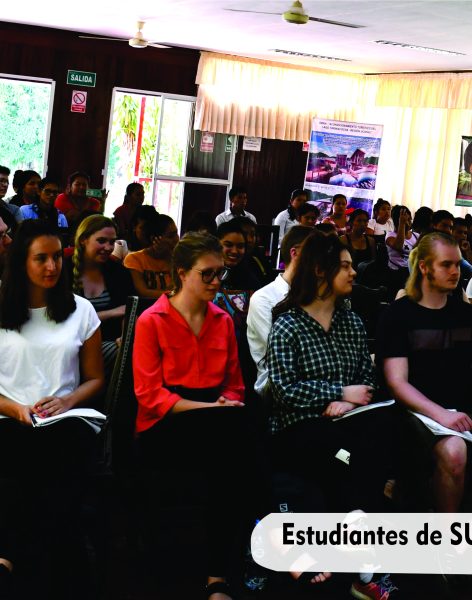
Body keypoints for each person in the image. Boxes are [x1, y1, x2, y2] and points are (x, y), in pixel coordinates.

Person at [267, 232, 396, 598]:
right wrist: (337, 393)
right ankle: (364, 562)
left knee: (370, 439)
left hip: (348, 423)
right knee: (345, 455)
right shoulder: (288, 324)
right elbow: (283, 390)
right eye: (345, 266)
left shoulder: (351, 322)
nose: (354, 272)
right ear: (320, 271)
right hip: (298, 428)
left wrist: (350, 402)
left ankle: (353, 552)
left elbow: (366, 380)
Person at [133, 232, 246, 600]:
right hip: (164, 423)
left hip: (213, 416)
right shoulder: (152, 320)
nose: (216, 281)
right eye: (207, 274)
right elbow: (149, 395)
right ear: (181, 273)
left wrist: (226, 402)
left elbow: (235, 384)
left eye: (220, 273)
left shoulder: (222, 321)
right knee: (236, 450)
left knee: (237, 450)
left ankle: (217, 574)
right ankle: (226, 569)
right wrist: (213, 409)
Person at [0, 219, 104, 598]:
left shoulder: (81, 310)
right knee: (20, 457)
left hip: (66, 417)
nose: (51, 266)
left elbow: (95, 379)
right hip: (9, 415)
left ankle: (11, 559)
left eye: (57, 257)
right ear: (21, 261)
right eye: (41, 258)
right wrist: (15, 408)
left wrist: (67, 400)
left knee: (55, 457)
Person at [377, 232, 472, 512]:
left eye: (458, 264)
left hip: (460, 408)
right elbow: (397, 383)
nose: (455, 271)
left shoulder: (465, 314)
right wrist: (441, 414)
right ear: (424, 267)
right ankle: (445, 533)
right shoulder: (398, 315)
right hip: (415, 413)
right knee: (454, 451)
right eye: (446, 264)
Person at [247, 225, 312, 396]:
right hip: (275, 385)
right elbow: (277, 357)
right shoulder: (264, 298)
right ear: (295, 253)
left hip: (314, 378)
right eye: (315, 252)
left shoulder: (317, 295)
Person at [71, 215, 134, 343]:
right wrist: (112, 312)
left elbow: (130, 311)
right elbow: (67, 318)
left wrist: (124, 338)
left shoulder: (118, 272)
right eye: (101, 241)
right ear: (83, 240)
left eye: (112, 242)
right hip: (74, 342)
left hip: (111, 340)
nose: (108, 247)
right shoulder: (64, 270)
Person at [124, 213, 178, 298]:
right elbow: (143, 292)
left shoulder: (177, 258)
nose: (177, 239)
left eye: (176, 233)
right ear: (154, 239)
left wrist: (169, 257)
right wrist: (174, 294)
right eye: (170, 236)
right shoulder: (134, 259)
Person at [385, 205, 418, 298]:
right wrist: (402, 224)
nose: (409, 222)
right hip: (396, 273)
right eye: (406, 219)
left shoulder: (416, 236)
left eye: (410, 219)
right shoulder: (390, 236)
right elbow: (399, 246)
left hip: (412, 272)